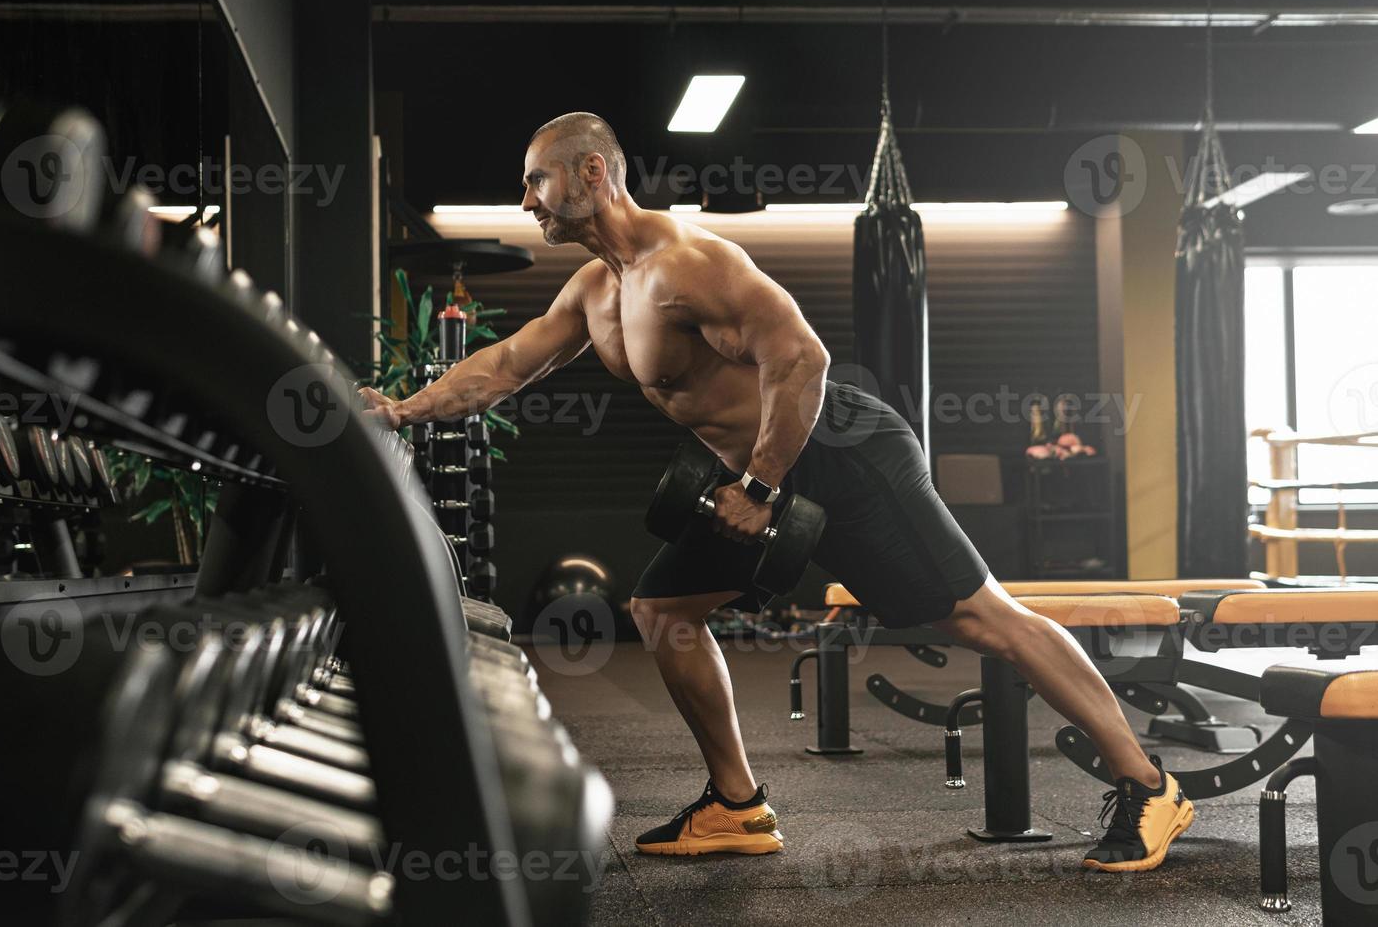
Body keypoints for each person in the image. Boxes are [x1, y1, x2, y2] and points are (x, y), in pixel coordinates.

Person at [360, 112, 1193, 871]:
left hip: (840, 450)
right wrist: (404, 409)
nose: (525, 199)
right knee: (663, 611)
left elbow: (804, 362)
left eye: (535, 180)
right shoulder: (596, 290)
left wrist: (760, 484)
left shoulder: (690, 265)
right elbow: (508, 364)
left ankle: (1149, 783)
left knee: (981, 618)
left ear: (591, 176)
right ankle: (737, 805)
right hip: (751, 472)